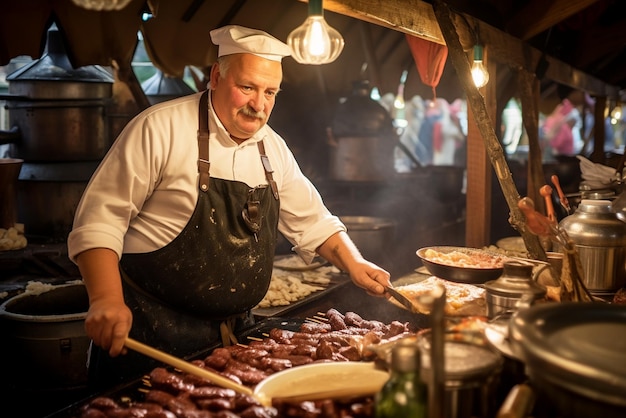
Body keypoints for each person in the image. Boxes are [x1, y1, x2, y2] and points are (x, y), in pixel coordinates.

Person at [67, 25, 391, 386]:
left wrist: (354, 262)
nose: (259, 104)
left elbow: (315, 222)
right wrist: (106, 300)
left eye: (270, 92)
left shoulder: (272, 148)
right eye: (248, 87)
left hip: (232, 344)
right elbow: (99, 222)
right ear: (217, 76)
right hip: (148, 338)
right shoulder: (159, 129)